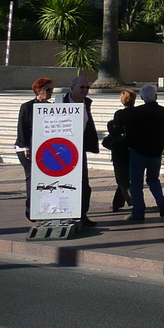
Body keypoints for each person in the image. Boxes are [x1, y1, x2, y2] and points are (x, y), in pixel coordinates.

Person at [124, 84, 164, 222]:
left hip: (138, 151)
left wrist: (132, 145)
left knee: (136, 183)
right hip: (156, 151)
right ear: (156, 96)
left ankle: (138, 211)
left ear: (141, 97)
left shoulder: (134, 112)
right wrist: (161, 142)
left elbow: (129, 133)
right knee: (153, 179)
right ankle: (161, 200)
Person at [14, 78, 54, 222]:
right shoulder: (27, 106)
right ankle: (30, 207)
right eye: (48, 90)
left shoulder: (51, 107)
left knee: (46, 179)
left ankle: (45, 207)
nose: (51, 93)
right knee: (32, 178)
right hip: (27, 148)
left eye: (52, 90)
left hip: (44, 149)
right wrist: (25, 147)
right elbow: (22, 128)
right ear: (39, 91)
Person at [61, 76, 99, 226]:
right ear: (72, 88)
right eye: (81, 87)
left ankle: (82, 214)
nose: (85, 91)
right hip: (63, 150)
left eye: (87, 88)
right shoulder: (60, 104)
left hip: (80, 148)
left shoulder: (86, 103)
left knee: (84, 183)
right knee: (65, 183)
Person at [104, 89, 137, 212]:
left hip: (119, 150)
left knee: (121, 178)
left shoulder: (119, 114)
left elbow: (115, 132)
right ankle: (117, 203)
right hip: (133, 148)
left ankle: (131, 201)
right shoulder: (138, 113)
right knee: (126, 177)